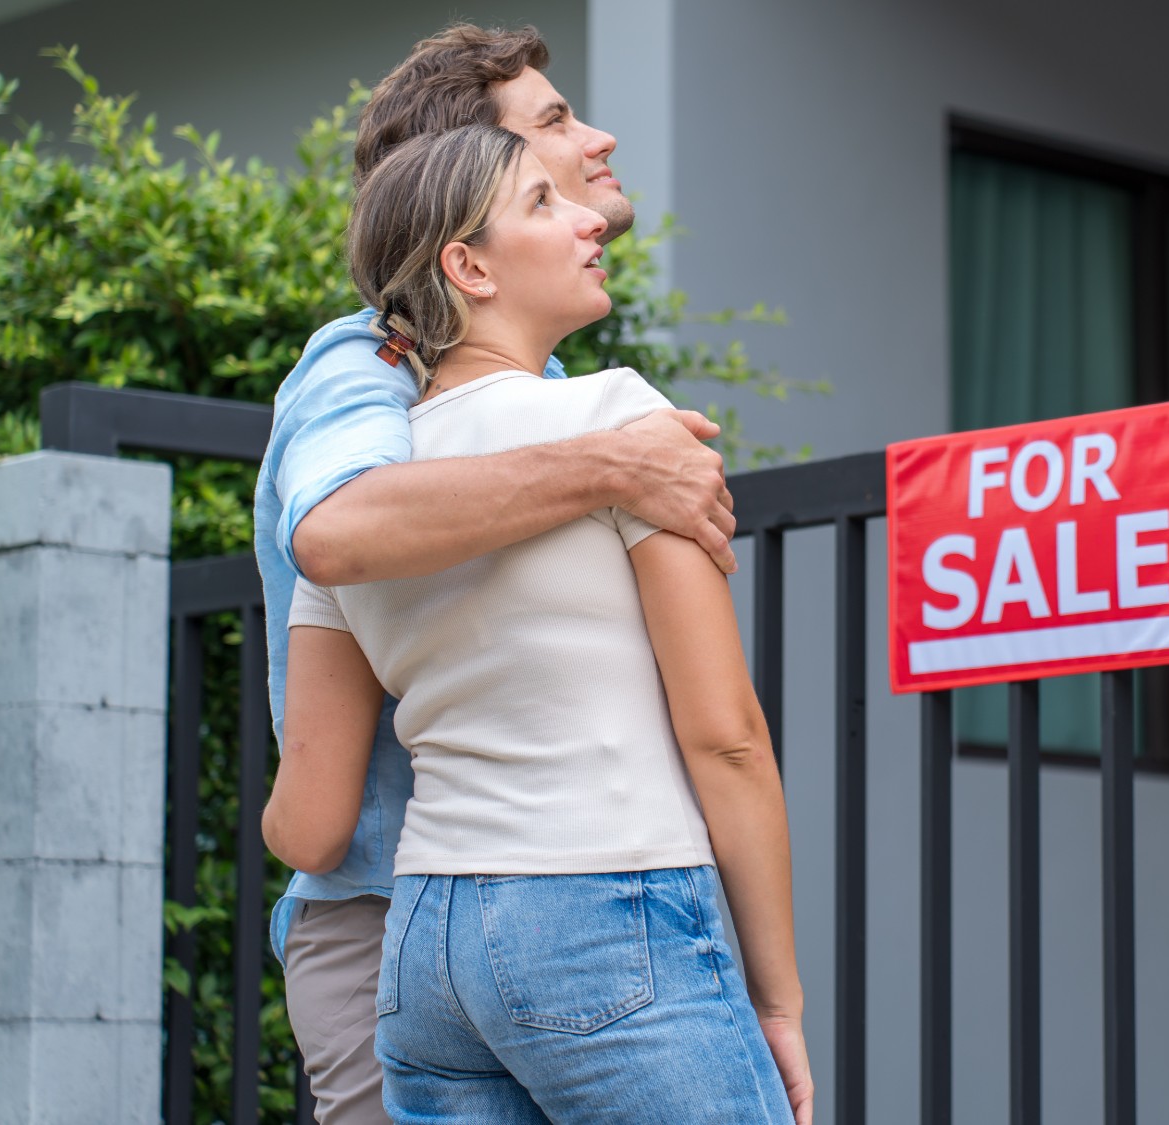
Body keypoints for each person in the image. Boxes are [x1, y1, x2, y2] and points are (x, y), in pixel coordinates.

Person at [261, 123, 808, 1123]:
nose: (589, 217)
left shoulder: (362, 505)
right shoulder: (618, 422)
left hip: (428, 945)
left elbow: (306, 822)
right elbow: (725, 738)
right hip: (606, 903)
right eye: (542, 203)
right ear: (466, 266)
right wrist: (778, 999)